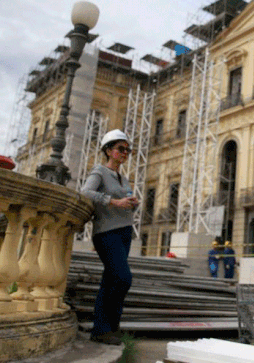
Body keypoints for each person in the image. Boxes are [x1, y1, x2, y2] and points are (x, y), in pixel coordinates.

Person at [80, 129, 139, 345]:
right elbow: (85, 192)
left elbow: (125, 208)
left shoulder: (123, 179)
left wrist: (132, 205)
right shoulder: (100, 171)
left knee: (112, 280)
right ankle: (105, 327)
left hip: (124, 231)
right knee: (123, 277)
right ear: (108, 150)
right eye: (120, 149)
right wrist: (113, 201)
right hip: (106, 232)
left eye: (128, 150)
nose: (125, 153)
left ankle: (106, 329)